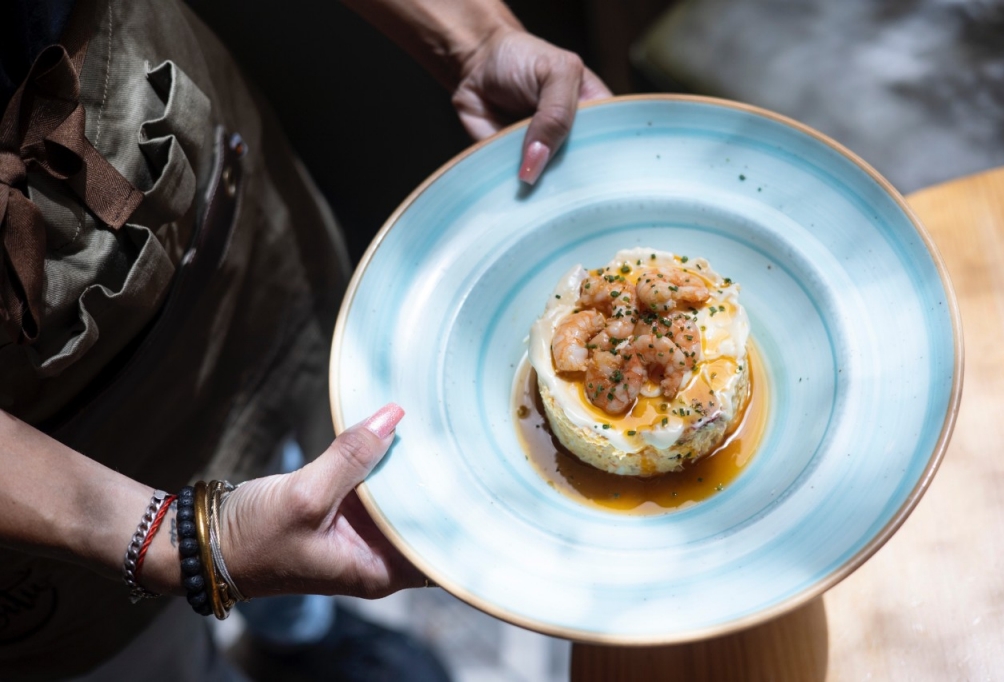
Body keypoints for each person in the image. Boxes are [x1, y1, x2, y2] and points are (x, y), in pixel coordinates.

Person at [0, 0, 611, 679]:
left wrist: (473, 37)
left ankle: (300, 637)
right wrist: (187, 546)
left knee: (297, 443)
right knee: (148, 659)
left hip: (148, 108)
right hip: (34, 459)